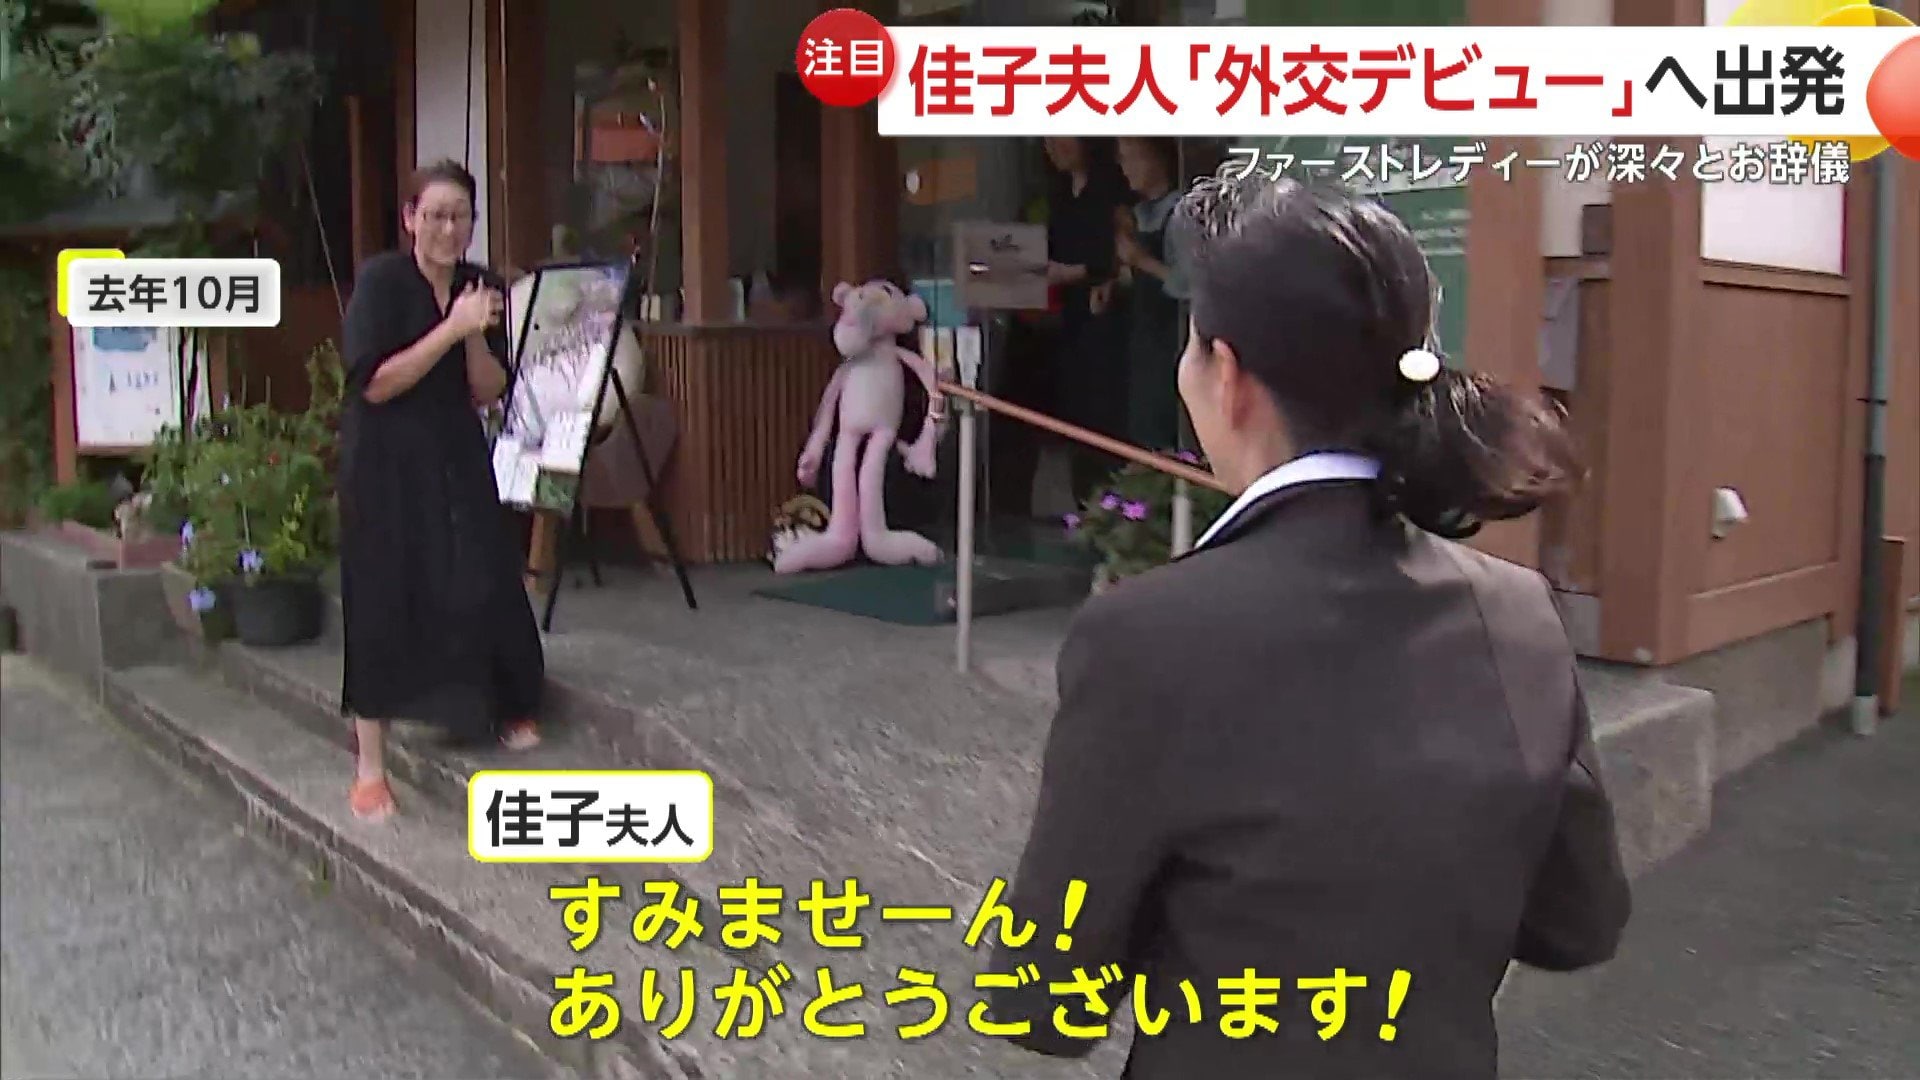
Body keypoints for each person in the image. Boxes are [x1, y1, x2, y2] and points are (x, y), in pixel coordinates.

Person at [990, 174, 1630, 1079]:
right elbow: (1578, 922)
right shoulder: (1520, 611)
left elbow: (1045, 1000)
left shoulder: (1145, 635)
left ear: (1227, 377)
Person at [337, 159, 546, 822]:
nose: (448, 229)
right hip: (384, 458)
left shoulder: (480, 285)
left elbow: (487, 388)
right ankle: (370, 766)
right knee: (381, 593)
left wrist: (475, 336)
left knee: (485, 570)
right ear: (410, 219)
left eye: (460, 216)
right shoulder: (382, 282)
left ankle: (506, 703)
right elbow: (375, 383)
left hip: (454, 449)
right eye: (435, 215)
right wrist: (450, 329)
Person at [1041, 136, 1131, 500]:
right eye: (1047, 140)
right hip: (1069, 319)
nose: (1055, 147)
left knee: (1104, 411)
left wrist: (1077, 272)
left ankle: (1113, 505)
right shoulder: (1059, 193)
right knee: (1074, 410)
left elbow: (1120, 254)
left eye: (1062, 137)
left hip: (1108, 317)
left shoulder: (1113, 188)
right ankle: (1084, 507)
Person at [1114, 136, 1190, 451]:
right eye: (1122, 159)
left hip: (1172, 339)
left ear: (1157, 159)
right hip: (1143, 339)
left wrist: (1141, 260)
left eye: (1132, 157)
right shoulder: (1136, 215)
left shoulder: (1181, 214)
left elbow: (1187, 284)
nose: (1125, 168)